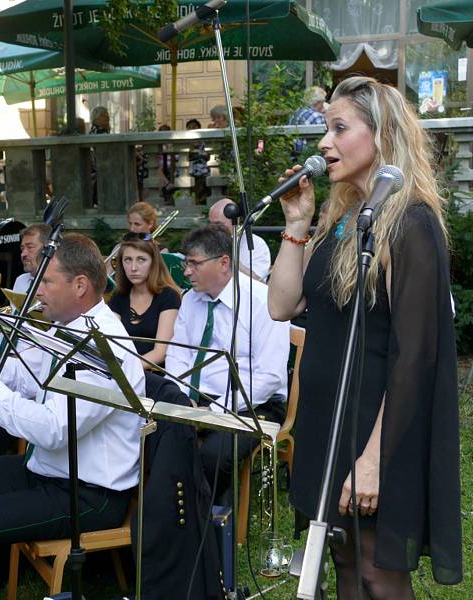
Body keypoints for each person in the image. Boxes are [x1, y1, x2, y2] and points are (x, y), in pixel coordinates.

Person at [268, 76, 462, 596]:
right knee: (344, 562)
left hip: (375, 430)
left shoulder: (411, 222)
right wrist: (297, 222)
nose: (323, 143)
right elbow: (281, 305)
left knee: (377, 571)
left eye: (338, 128)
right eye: (324, 129)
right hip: (326, 424)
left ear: (382, 136)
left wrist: (373, 459)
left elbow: (415, 357)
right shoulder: (346, 216)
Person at [0, 234, 145, 600]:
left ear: (80, 285)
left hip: (90, 493)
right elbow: (25, 374)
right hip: (51, 471)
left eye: (46, 281)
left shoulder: (102, 346)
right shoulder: (68, 327)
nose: (37, 290)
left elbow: (52, 430)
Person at [165, 223, 289, 497]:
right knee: (154, 440)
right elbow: (177, 353)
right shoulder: (190, 300)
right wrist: (183, 398)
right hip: (199, 398)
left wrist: (215, 412)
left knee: (215, 454)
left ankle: (214, 526)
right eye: (186, 263)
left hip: (254, 403)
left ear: (223, 262)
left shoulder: (263, 301)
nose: (186, 271)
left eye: (194, 264)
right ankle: (172, 518)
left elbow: (269, 377)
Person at [108, 233, 180, 369]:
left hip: (154, 373)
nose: (133, 267)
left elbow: (160, 352)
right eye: (128, 260)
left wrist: (126, 370)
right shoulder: (119, 295)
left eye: (141, 260)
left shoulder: (169, 296)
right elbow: (111, 339)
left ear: (154, 263)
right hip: (122, 369)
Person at [208, 198, 272, 281]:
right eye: (210, 224)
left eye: (218, 224)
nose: (213, 229)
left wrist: (232, 259)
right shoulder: (207, 242)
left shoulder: (257, 244)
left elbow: (258, 282)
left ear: (236, 221)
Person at [13, 223, 51, 294]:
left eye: (30, 247)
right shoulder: (20, 281)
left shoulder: (59, 284)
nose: (23, 254)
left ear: (47, 249)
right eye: (22, 249)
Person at [290, 86, 328, 155]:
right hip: (306, 154)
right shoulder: (316, 116)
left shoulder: (297, 112)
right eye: (322, 103)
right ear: (317, 102)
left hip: (292, 152)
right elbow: (324, 139)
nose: (323, 107)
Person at [186, 118, 210, 204]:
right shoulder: (184, 143)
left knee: (202, 174)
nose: (192, 128)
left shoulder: (204, 142)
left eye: (194, 126)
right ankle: (196, 199)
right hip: (190, 167)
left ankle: (200, 198)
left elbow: (208, 155)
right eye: (190, 127)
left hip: (203, 167)